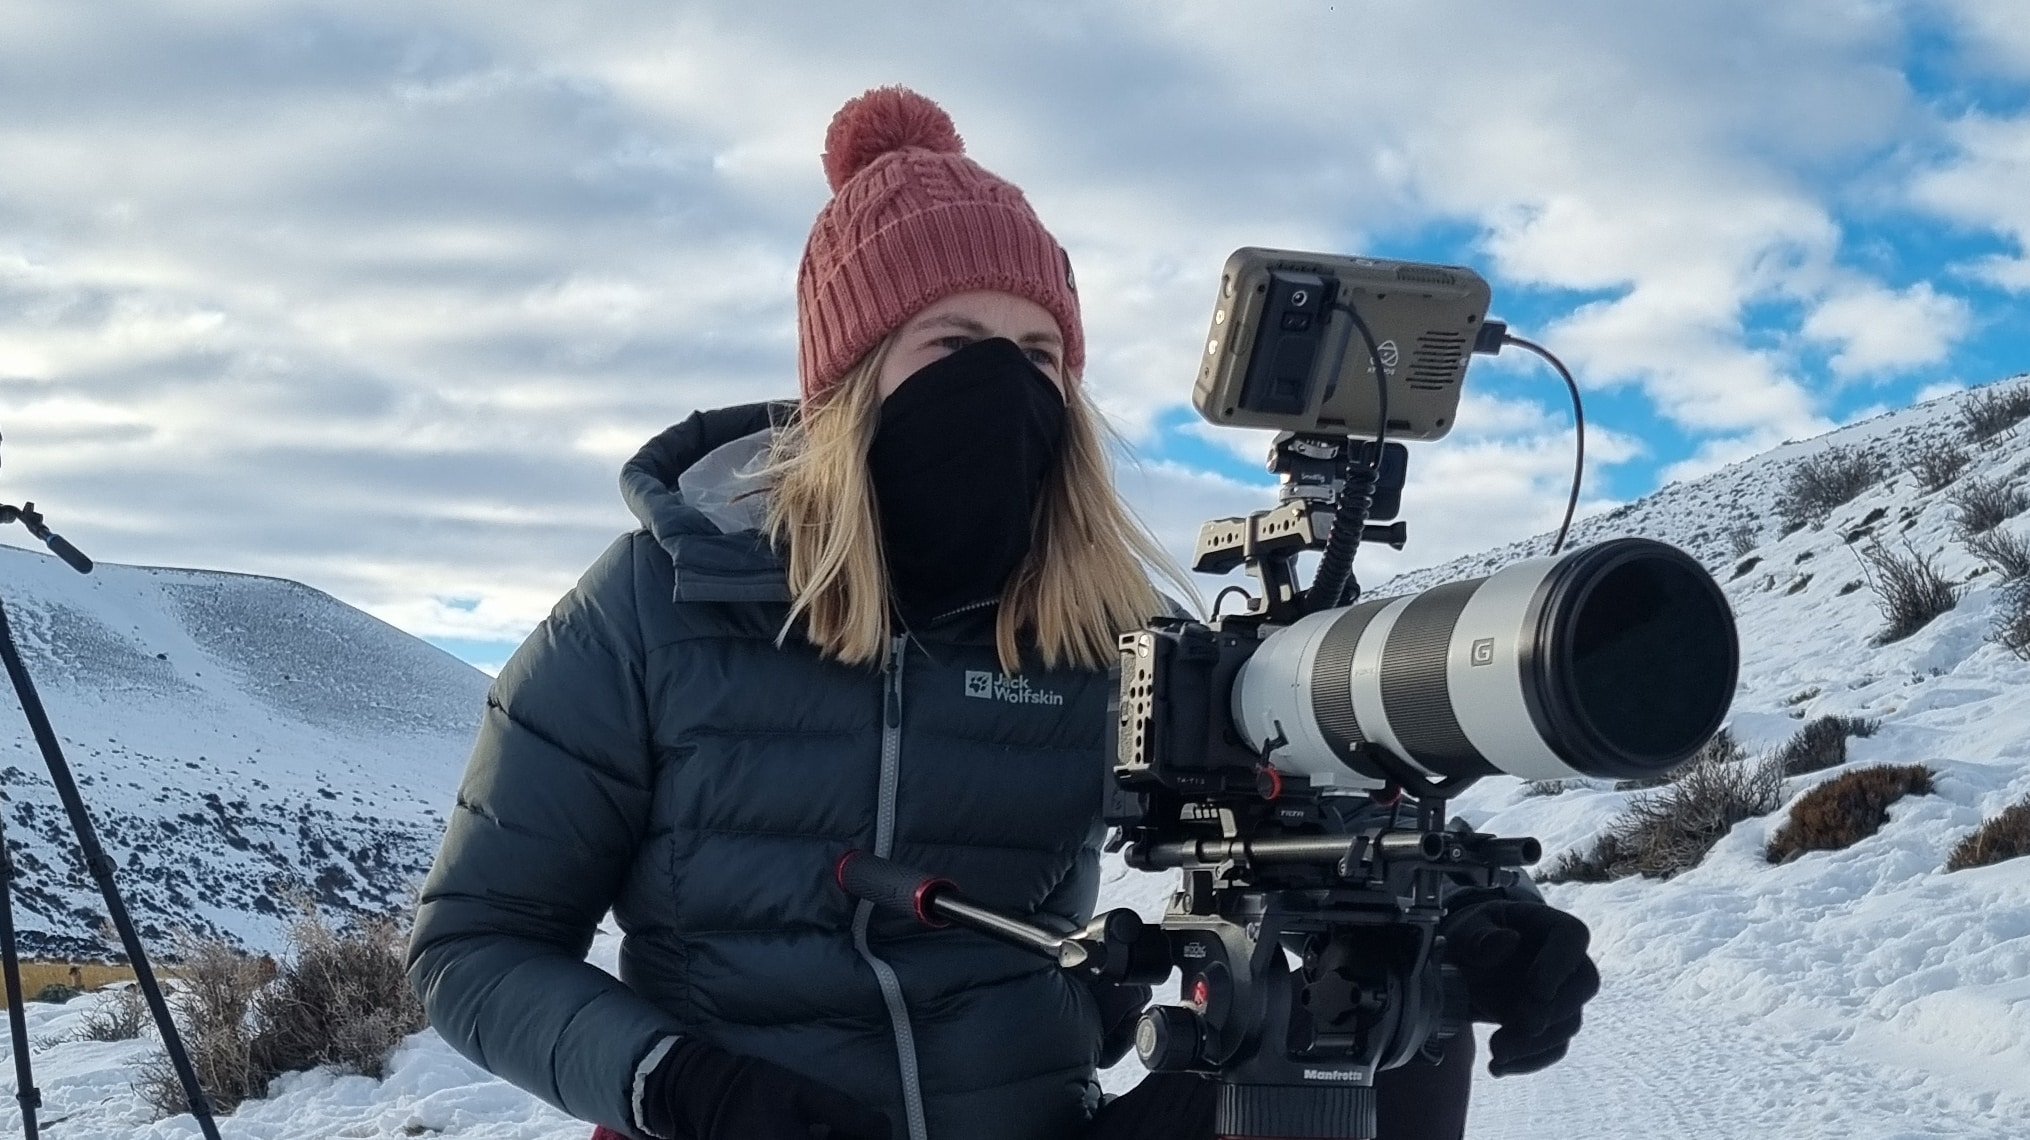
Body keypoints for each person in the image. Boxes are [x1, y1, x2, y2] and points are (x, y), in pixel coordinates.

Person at [407, 86, 1599, 1140]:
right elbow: (473, 944)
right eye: (956, 341)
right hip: (728, 1125)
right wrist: (680, 1087)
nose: (1002, 385)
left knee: (1390, 1033)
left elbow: (1323, 803)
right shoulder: (653, 606)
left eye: (1037, 355)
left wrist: (1481, 924)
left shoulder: (1110, 630)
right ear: (847, 382)